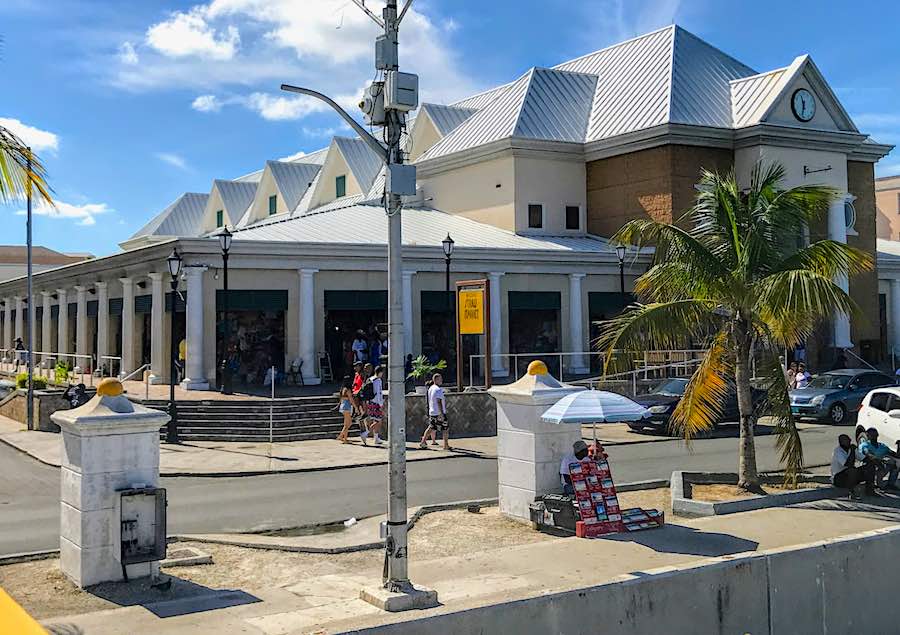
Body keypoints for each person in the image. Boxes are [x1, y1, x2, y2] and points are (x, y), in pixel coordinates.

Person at [831, 434, 875, 498]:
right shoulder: (837, 451)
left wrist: (871, 461)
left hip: (850, 475)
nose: (850, 440)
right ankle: (851, 492)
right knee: (852, 470)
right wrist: (852, 451)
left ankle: (870, 490)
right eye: (848, 440)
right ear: (842, 442)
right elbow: (848, 464)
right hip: (838, 478)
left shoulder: (851, 449)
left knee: (869, 466)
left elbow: (864, 458)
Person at [419, 373, 449, 450]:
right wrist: (441, 413)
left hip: (432, 412)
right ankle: (446, 445)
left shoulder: (431, 389)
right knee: (445, 428)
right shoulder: (438, 390)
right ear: (436, 380)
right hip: (438, 413)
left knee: (431, 427)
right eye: (440, 379)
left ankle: (423, 441)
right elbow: (439, 402)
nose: (441, 380)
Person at [365, 365, 385, 446]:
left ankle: (376, 438)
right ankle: (366, 432)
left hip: (370, 402)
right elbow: (378, 392)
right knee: (378, 421)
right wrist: (381, 403)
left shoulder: (371, 379)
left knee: (375, 420)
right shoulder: (378, 380)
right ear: (379, 372)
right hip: (376, 403)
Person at [336, 375, 356, 444]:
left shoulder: (342, 389)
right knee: (348, 423)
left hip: (343, 406)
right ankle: (343, 438)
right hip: (347, 407)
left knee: (346, 423)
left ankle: (342, 436)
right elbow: (351, 400)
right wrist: (356, 408)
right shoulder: (348, 390)